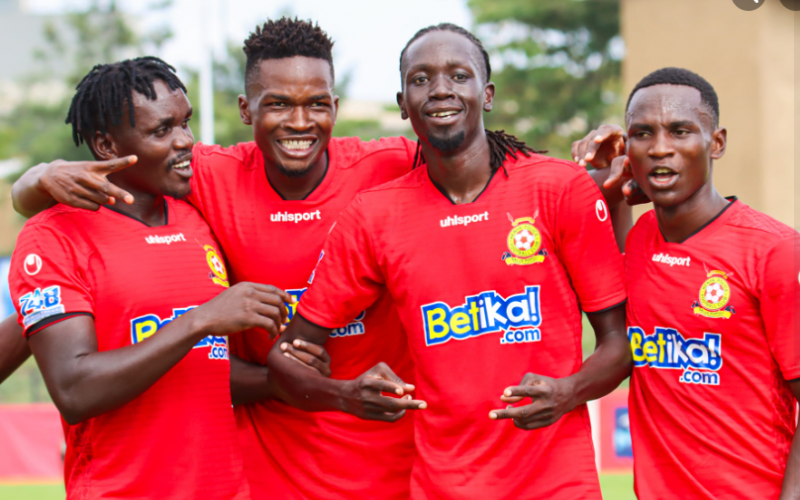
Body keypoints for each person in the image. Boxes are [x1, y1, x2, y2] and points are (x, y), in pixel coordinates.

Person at [10, 19, 630, 500]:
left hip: (399, 463)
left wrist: (590, 175)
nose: (299, 122)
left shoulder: (389, 166)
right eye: (278, 104)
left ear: (337, 103)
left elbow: (482, 156)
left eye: (318, 103)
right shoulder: (203, 176)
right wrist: (35, 180)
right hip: (266, 469)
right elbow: (115, 184)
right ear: (247, 110)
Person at [265, 23, 632, 500]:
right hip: (444, 486)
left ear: (488, 92)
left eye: (459, 75)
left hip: (557, 483)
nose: (440, 89)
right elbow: (284, 359)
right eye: (421, 79)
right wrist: (347, 395)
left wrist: (569, 392)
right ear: (402, 103)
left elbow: (621, 344)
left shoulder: (557, 188)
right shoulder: (374, 216)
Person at [8, 57, 324, 499]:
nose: (185, 142)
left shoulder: (198, 218)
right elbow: (74, 389)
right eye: (162, 131)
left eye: (186, 123)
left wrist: (303, 385)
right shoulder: (55, 235)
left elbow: (202, 367)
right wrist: (200, 320)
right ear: (105, 144)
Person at [573, 67, 799, 500]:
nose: (661, 149)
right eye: (643, 134)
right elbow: (600, 238)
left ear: (716, 143)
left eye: (680, 131)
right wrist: (605, 174)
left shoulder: (775, 251)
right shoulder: (640, 241)